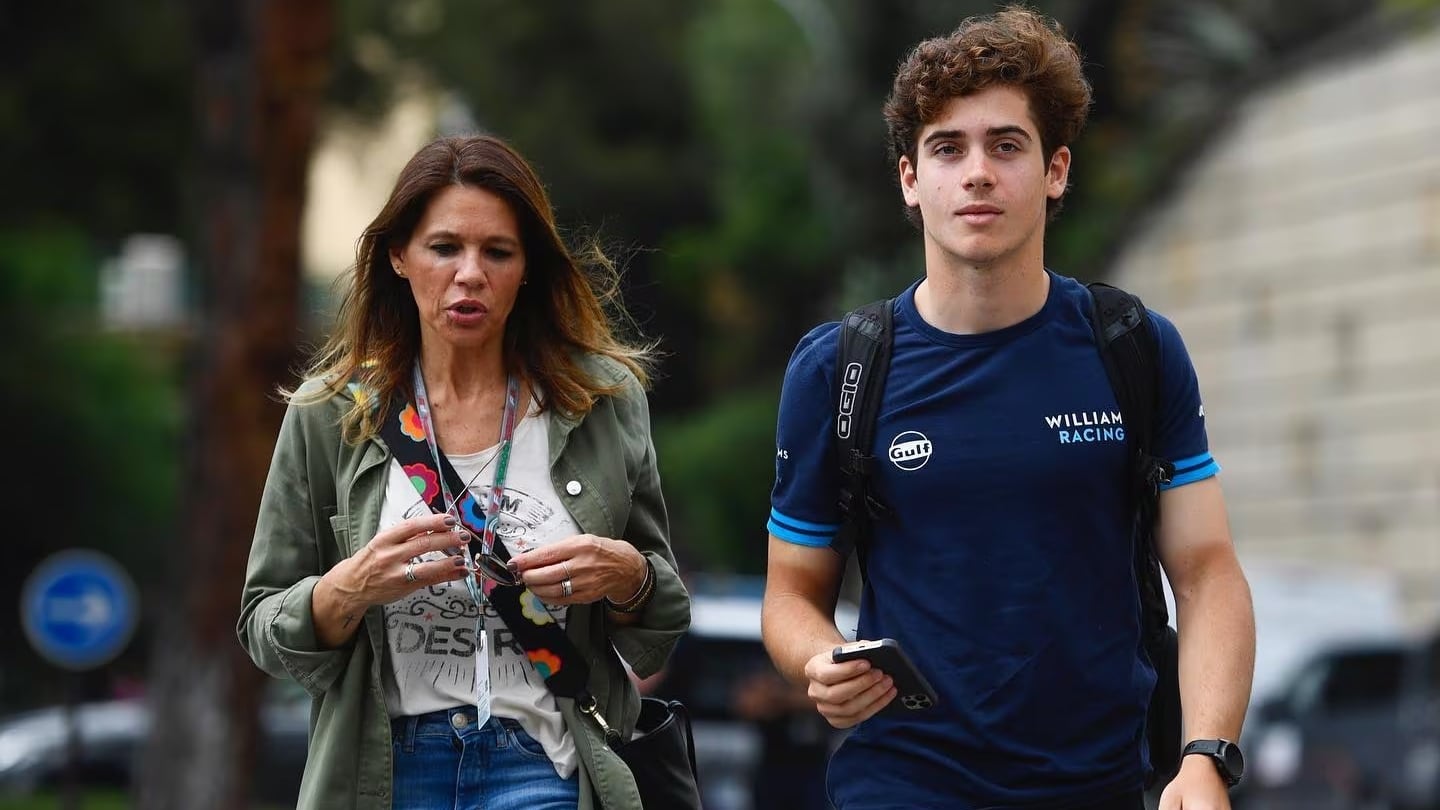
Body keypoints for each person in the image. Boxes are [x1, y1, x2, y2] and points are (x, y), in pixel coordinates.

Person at [761, 7, 1256, 810]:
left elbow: (1205, 573)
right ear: (910, 180)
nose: (978, 172)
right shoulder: (839, 370)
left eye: (1006, 145)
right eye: (947, 149)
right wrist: (821, 658)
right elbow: (790, 595)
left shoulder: (1132, 346)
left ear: (1056, 170)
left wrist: (1204, 757)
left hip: (1097, 785)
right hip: (901, 785)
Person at [238, 134, 690, 810]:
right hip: (384, 768)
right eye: (444, 247)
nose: (470, 273)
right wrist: (350, 588)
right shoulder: (328, 413)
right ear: (399, 256)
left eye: (497, 252)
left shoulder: (601, 403)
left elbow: (659, 621)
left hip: (544, 761)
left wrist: (627, 576)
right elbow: (262, 625)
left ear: (527, 266)